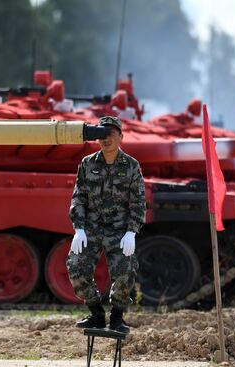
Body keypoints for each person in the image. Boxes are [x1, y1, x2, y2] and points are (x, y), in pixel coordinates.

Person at [67, 115, 146, 334]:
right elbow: (79, 197)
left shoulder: (131, 166)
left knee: (125, 271)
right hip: (91, 228)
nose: (106, 139)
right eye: (102, 134)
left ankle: (117, 318)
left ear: (121, 137)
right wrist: (79, 228)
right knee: (76, 268)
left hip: (119, 230)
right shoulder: (87, 163)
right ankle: (96, 314)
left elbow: (138, 202)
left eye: (111, 134)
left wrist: (131, 231)